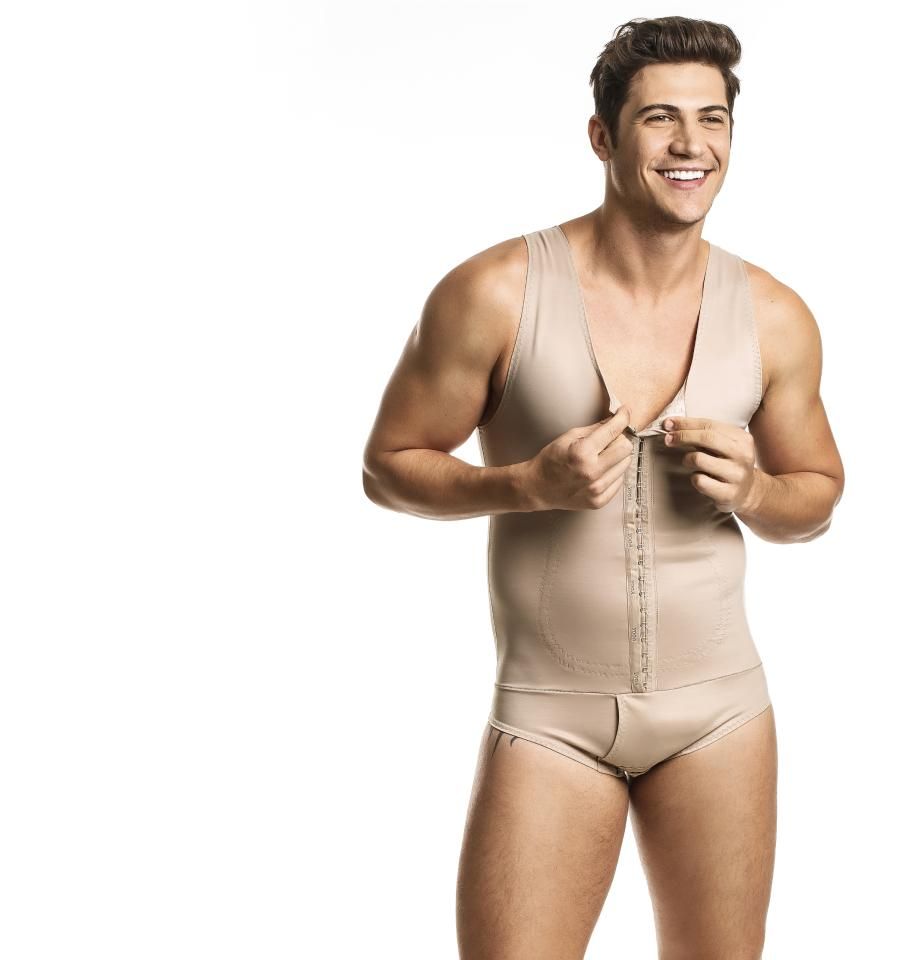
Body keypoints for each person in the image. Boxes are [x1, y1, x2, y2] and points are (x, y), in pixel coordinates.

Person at [362, 16, 844, 959]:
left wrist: (753, 489)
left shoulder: (775, 315)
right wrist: (524, 483)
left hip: (720, 718)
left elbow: (818, 495)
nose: (690, 144)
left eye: (712, 119)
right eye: (660, 118)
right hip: (551, 719)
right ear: (602, 135)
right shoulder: (495, 292)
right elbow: (388, 465)